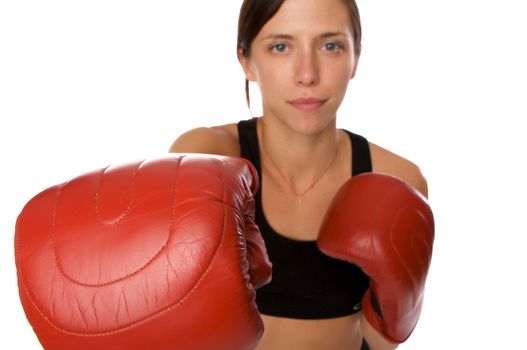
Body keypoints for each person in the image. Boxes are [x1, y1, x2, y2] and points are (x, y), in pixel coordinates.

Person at [170, 0, 432, 349]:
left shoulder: (396, 179)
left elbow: (377, 343)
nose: (307, 73)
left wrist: (397, 313)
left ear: (355, 57)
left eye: (330, 45)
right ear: (246, 61)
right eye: (281, 46)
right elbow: (178, 317)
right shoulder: (209, 157)